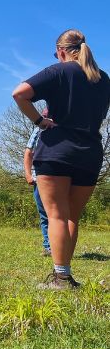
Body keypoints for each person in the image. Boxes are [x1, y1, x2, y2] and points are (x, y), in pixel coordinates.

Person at [13, 29, 110, 289]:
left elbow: (19, 94)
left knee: (56, 216)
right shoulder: (103, 79)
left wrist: (39, 121)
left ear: (61, 51)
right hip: (90, 153)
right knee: (71, 218)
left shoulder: (58, 71)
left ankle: (61, 277)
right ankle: (65, 275)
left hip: (57, 151)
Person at [24, 107, 51, 256]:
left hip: (60, 178)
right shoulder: (39, 131)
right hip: (39, 178)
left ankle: (61, 246)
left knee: (60, 214)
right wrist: (28, 175)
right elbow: (28, 152)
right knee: (44, 214)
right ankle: (48, 246)